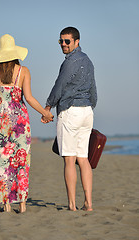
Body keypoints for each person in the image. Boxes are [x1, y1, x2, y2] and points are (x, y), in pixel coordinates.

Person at [0, 34, 53, 213]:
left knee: (1, 160)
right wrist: (45, 113)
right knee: (21, 160)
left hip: (0, 118)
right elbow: (29, 98)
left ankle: (6, 203)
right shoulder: (24, 71)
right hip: (19, 119)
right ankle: (22, 204)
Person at [42, 27, 97, 211]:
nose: (63, 45)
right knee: (83, 158)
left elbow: (59, 85)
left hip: (71, 112)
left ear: (77, 41)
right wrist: (90, 106)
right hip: (87, 111)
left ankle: (72, 205)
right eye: (61, 41)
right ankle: (88, 203)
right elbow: (93, 89)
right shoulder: (88, 61)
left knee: (69, 160)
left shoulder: (70, 62)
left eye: (67, 41)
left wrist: (48, 106)